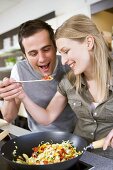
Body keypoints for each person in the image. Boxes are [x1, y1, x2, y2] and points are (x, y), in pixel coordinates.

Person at [0, 19, 76, 132]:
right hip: (38, 136)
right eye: (33, 53)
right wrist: (9, 97)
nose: (42, 59)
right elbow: (8, 118)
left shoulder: (69, 65)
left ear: (55, 46)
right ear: (25, 55)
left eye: (46, 49)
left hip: (74, 133)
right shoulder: (19, 70)